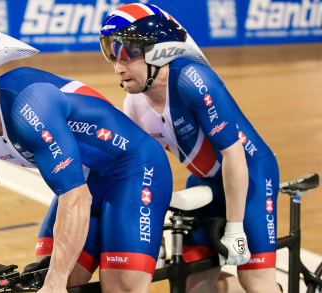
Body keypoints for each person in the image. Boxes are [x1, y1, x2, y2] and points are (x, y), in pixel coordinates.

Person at [0, 24, 173, 293]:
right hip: (85, 180)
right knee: (45, 277)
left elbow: (76, 199)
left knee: (117, 287)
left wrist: (55, 283)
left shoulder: (28, 105)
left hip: (136, 170)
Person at [100, 3, 280, 293]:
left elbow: (233, 154)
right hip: (206, 181)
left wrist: (235, 228)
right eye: (112, 54)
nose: (118, 66)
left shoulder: (193, 81)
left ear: (159, 51)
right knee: (195, 281)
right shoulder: (133, 104)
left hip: (253, 176)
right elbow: (145, 172)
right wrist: (153, 239)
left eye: (128, 53)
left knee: (255, 280)